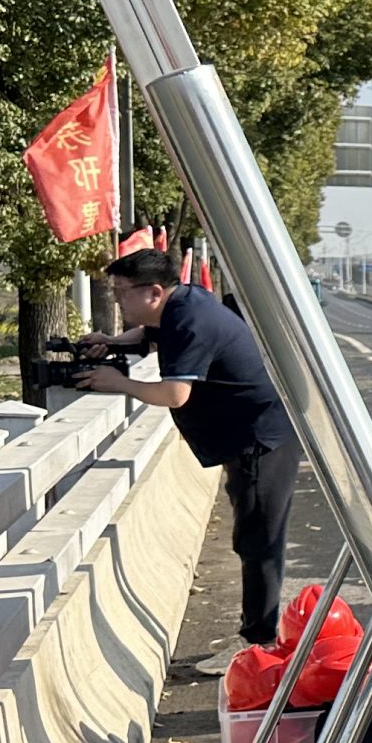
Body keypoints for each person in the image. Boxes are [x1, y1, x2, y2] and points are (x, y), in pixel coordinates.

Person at [81, 247, 301, 654]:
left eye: (121, 291)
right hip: (251, 433)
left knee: (259, 541)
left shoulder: (189, 321)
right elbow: (148, 335)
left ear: (153, 292)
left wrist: (119, 382)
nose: (117, 300)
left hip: (261, 439)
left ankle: (260, 646)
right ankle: (258, 638)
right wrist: (111, 342)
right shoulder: (184, 302)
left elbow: (175, 394)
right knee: (253, 536)